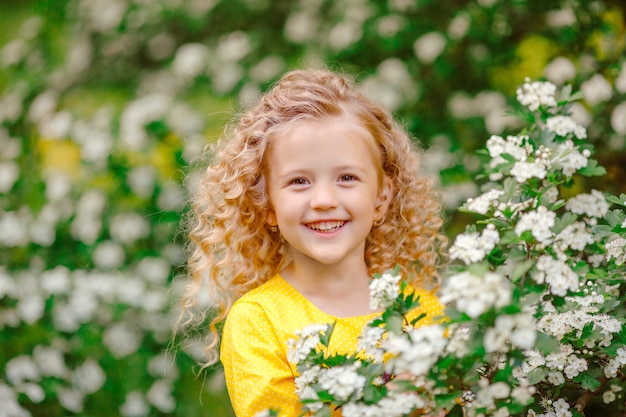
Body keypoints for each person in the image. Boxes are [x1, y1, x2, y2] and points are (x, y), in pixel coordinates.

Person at [179, 69, 447, 417]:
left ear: (381, 198)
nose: (323, 199)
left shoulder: (422, 314)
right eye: (299, 181)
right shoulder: (259, 322)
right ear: (268, 205)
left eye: (347, 177)